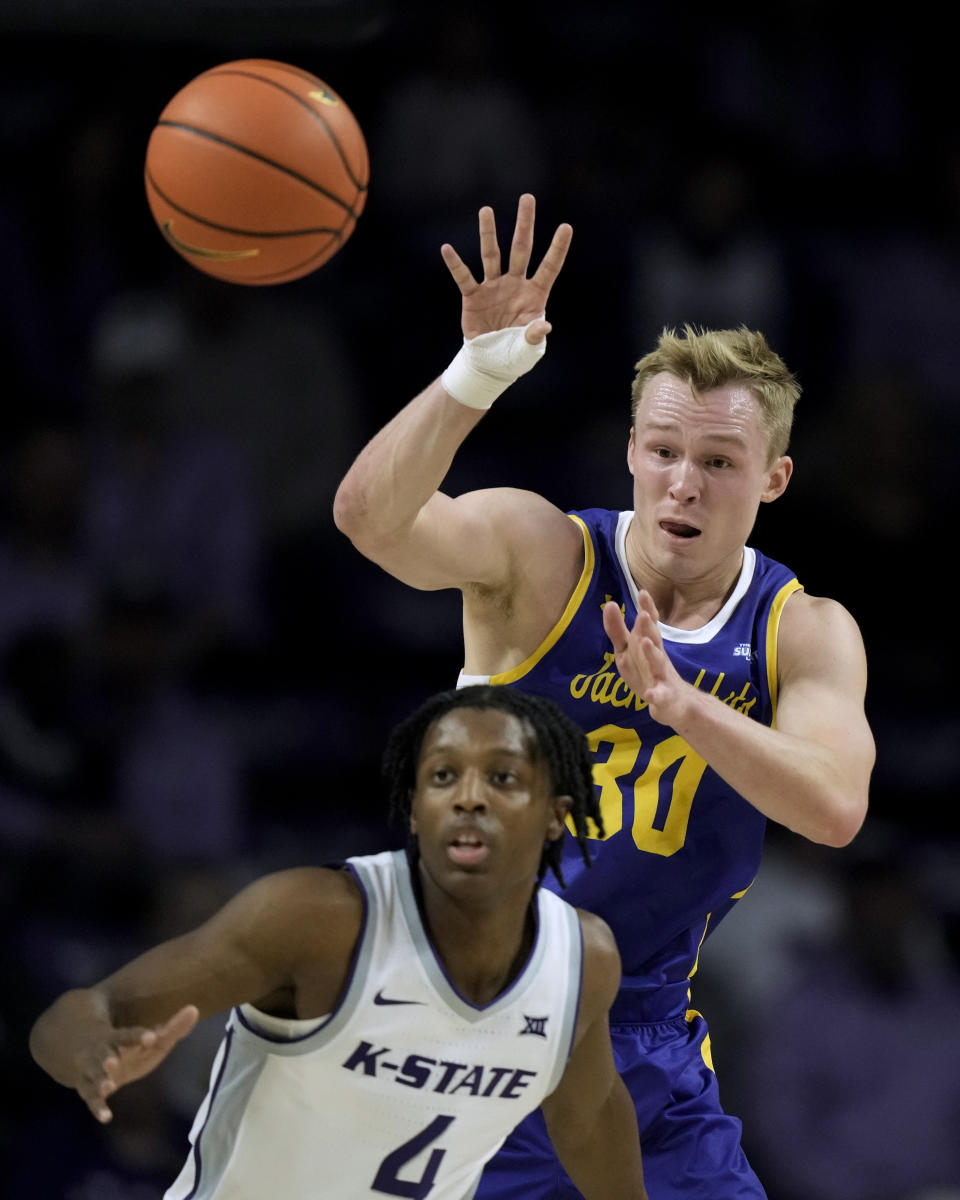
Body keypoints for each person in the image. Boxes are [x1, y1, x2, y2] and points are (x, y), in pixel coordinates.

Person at [333, 193, 876, 1198]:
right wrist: (475, 375)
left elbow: (836, 807)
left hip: (647, 1044)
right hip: (473, 1028)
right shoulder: (542, 556)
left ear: (775, 480)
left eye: (719, 464)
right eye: (663, 452)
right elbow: (368, 519)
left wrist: (687, 708)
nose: (683, 485)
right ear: (630, 449)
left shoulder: (802, 630)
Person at [28, 684, 648, 1200]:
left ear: (555, 816)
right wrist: (92, 1057)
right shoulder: (319, 919)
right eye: (442, 777)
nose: (468, 798)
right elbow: (81, 1013)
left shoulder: (581, 962)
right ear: (414, 810)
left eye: (503, 777)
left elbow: (589, 1124)